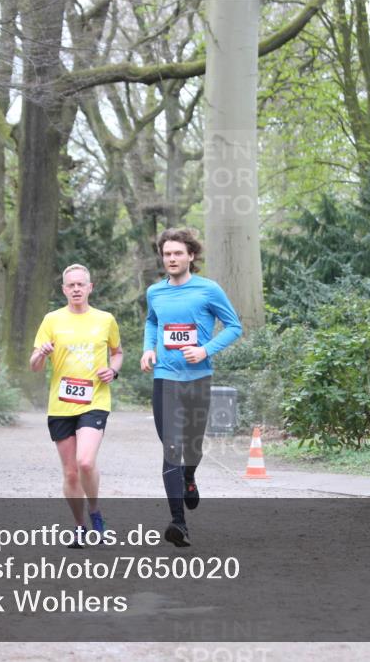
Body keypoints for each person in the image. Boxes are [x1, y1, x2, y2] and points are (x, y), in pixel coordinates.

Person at [141, 228, 242, 547]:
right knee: (171, 447)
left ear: (191, 256)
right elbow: (152, 321)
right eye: (167, 254)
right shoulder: (155, 292)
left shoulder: (208, 289)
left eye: (177, 253)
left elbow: (234, 326)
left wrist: (205, 350)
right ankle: (178, 523)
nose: (171, 258)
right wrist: (149, 348)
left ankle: (189, 476)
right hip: (165, 378)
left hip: (198, 379)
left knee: (192, 445)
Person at [31, 264, 123, 548]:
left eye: (80, 284)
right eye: (70, 285)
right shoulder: (51, 320)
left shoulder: (105, 319)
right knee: (70, 471)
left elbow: (117, 353)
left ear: (90, 287)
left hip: (94, 400)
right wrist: (42, 354)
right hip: (60, 404)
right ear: (64, 290)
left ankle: (95, 514)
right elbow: (34, 366)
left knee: (85, 461)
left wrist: (113, 370)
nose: (76, 289)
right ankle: (80, 526)